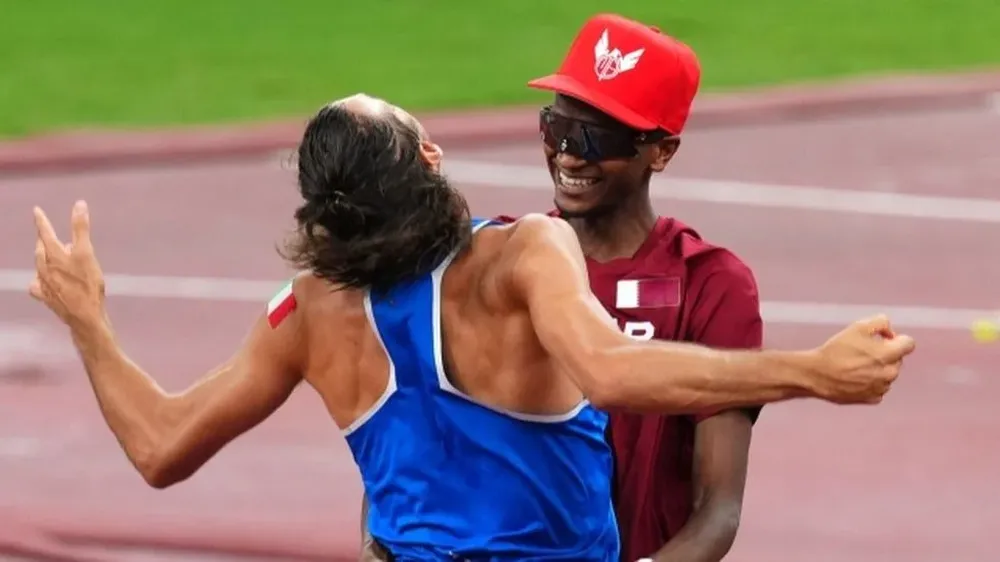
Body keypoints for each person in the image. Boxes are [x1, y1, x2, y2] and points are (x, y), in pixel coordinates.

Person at [29, 94, 914, 562]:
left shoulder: (307, 313)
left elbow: (159, 447)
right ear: (429, 159)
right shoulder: (527, 253)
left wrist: (89, 322)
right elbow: (611, 373)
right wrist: (813, 371)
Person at [520, 13, 767, 561]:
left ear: (662, 151)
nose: (568, 154)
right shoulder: (504, 260)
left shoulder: (712, 287)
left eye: (597, 137)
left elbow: (718, 508)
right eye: (556, 128)